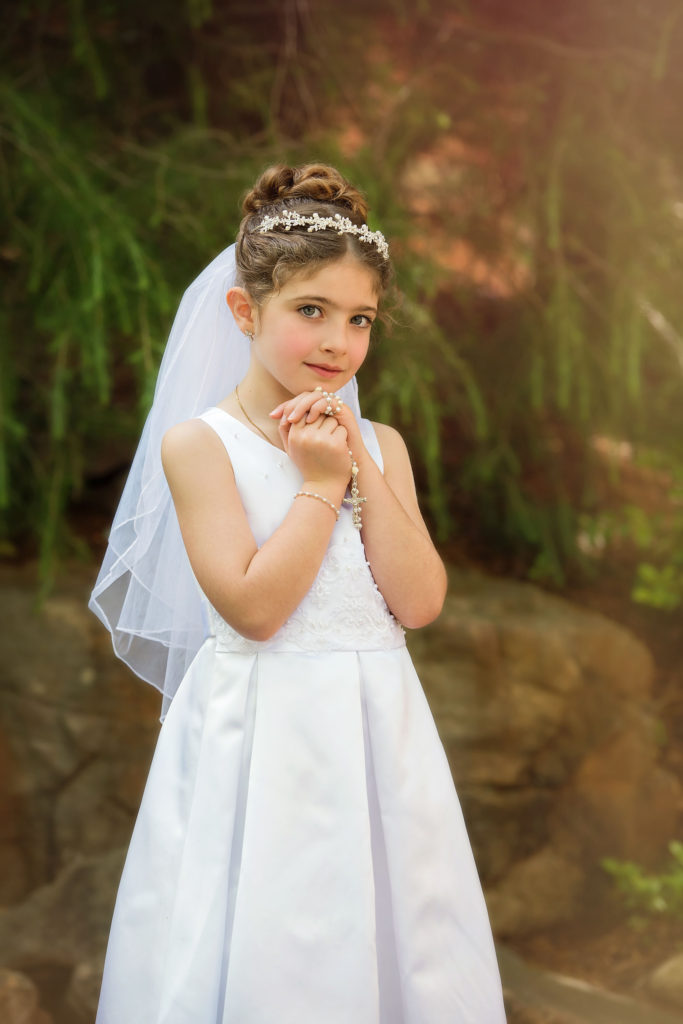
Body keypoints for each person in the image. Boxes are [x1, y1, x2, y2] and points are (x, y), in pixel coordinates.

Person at [89, 162, 507, 1023]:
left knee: (399, 928)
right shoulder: (199, 445)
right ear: (246, 313)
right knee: (279, 928)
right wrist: (319, 486)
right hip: (264, 727)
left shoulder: (380, 442)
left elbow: (420, 600)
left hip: (375, 723)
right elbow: (253, 608)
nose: (336, 343)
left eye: (358, 320)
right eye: (309, 312)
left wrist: (356, 464)